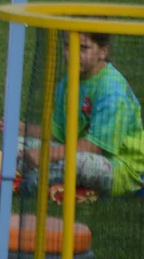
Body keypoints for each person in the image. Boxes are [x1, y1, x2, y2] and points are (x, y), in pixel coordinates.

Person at [9, 33, 144, 197]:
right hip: (74, 152)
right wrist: (24, 129)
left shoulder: (111, 89)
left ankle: (29, 183)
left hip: (117, 167)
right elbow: (58, 134)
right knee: (14, 144)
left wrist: (46, 155)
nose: (72, 53)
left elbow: (95, 147)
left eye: (83, 48)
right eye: (67, 46)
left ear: (103, 52)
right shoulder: (68, 83)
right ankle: (47, 178)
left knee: (79, 164)